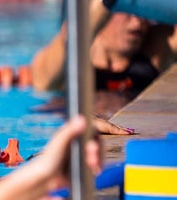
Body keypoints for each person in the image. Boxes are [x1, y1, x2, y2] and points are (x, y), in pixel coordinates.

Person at [31, 0, 177, 133]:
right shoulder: (68, 56)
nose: (138, 20)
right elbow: (44, 81)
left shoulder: (156, 48)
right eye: (127, 7)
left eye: (141, 8)